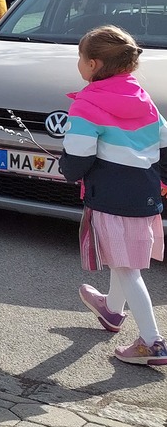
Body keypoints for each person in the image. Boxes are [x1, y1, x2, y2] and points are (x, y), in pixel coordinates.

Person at [64, 26, 167, 366]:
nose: (78, 63)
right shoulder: (142, 98)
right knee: (124, 256)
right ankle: (111, 309)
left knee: (126, 268)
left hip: (110, 197)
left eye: (80, 57)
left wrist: (67, 168)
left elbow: (77, 159)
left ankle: (152, 343)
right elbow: (164, 142)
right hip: (145, 193)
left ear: (93, 64)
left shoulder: (86, 105)